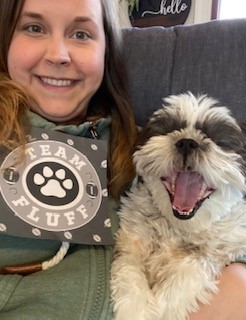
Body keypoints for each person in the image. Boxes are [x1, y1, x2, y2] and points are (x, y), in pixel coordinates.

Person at [0, 1, 245, 319]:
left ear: (107, 50)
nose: (58, 54)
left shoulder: (147, 148)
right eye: (34, 28)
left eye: (81, 33)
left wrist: (234, 282)